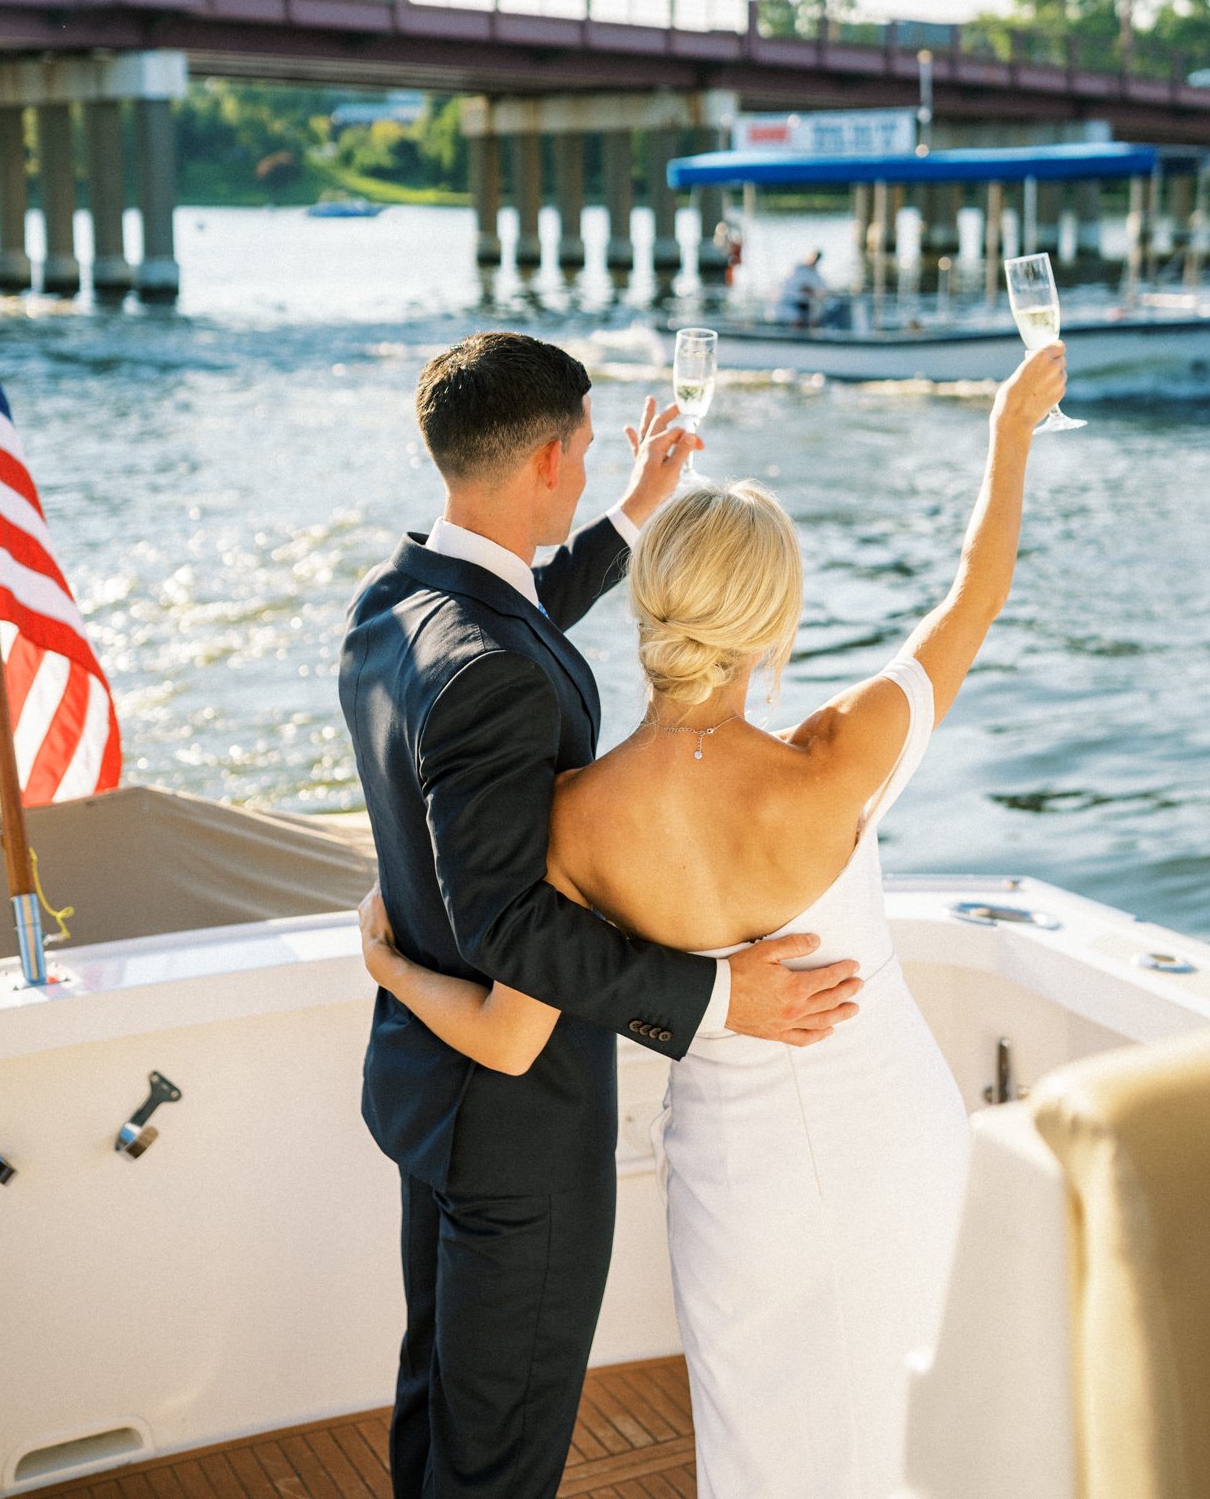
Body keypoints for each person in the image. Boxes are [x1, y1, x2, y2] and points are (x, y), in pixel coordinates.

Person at [357, 335, 1068, 1498]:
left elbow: (508, 1025)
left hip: (733, 1180)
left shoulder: (570, 819)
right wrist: (1008, 432)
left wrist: (388, 963)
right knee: (923, 1414)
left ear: (650, 608)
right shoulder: (845, 756)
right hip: (892, 1138)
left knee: (758, 1430)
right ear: (773, 623)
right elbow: (976, 589)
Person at [339, 332, 862, 1499]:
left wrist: (635, 512)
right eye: (581, 450)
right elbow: (511, 929)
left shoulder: (394, 607)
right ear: (543, 459)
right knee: (503, 1456)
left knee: (441, 1403)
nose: (586, 467)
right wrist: (723, 996)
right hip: (520, 1137)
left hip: (435, 1102)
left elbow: (517, 617)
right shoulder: (492, 673)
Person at [777, 244, 831, 325]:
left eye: (817, 259)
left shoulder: (816, 275)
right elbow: (800, 287)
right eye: (814, 257)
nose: (815, 260)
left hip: (807, 306)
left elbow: (821, 290)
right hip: (791, 303)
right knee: (796, 319)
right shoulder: (798, 270)